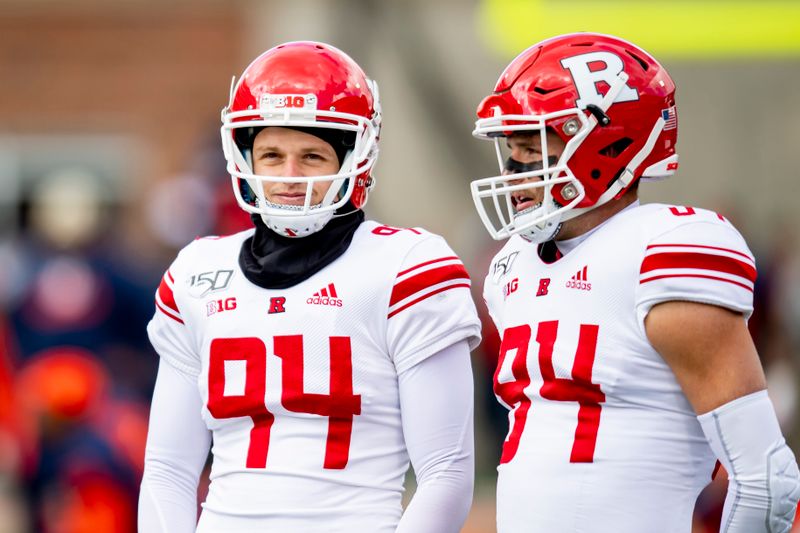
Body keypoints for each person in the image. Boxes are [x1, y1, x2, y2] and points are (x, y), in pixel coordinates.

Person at [138, 41, 481, 533]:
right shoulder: (197, 271)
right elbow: (168, 470)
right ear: (242, 154)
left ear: (354, 157)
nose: (289, 176)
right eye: (271, 154)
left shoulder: (406, 265)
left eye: (313, 156)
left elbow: (445, 472)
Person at [470, 32, 800, 533]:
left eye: (533, 145)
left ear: (604, 142)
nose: (514, 168)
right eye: (510, 147)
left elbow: (766, 479)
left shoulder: (664, 251)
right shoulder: (512, 267)